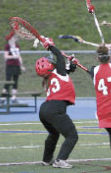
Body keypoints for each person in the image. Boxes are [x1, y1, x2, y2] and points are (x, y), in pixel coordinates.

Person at [36, 38, 78, 169]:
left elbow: (67, 70)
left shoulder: (50, 77)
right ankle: (60, 160)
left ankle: (46, 159)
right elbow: (58, 56)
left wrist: (72, 64)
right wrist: (51, 46)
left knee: (54, 134)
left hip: (44, 110)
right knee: (72, 135)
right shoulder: (58, 71)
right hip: (55, 109)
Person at [0, 31, 25, 104]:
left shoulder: (17, 46)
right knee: (8, 81)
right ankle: (3, 97)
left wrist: (21, 65)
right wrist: (13, 57)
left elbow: (19, 56)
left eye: (16, 38)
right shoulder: (7, 46)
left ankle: (14, 98)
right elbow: (6, 56)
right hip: (10, 66)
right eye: (14, 37)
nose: (15, 39)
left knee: (15, 82)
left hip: (16, 66)